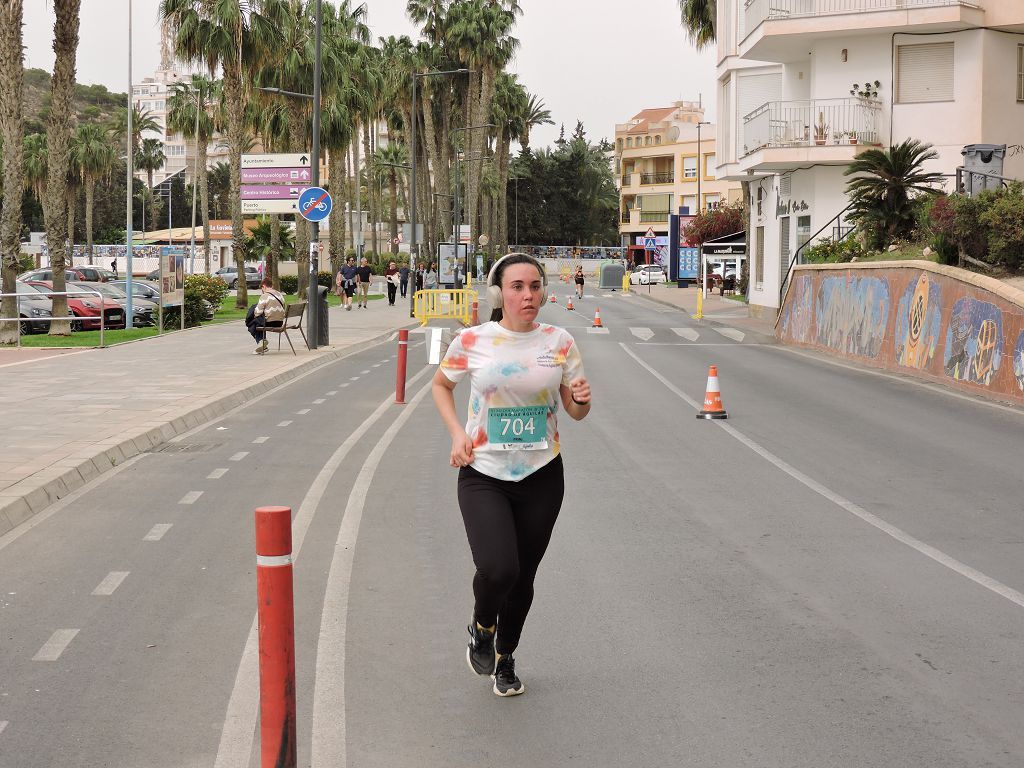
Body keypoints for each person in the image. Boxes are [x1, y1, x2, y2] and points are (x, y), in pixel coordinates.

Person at [431, 253, 591, 697]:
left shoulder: (559, 342)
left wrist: (580, 397)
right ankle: (482, 627)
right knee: (498, 568)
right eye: (518, 286)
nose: (528, 295)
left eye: (535, 286)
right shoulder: (473, 340)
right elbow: (441, 385)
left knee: (524, 578)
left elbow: (577, 412)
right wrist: (457, 434)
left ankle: (506, 656)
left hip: (542, 474)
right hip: (483, 471)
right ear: (499, 293)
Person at [246, 277, 286, 354]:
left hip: (269, 322)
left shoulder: (264, 296)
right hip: (279, 322)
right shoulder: (280, 294)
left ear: (264, 286)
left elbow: (257, 313)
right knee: (258, 321)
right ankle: (263, 344)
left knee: (253, 322)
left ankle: (261, 342)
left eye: (262, 288)